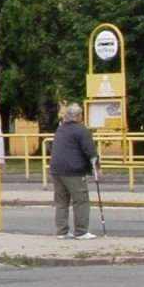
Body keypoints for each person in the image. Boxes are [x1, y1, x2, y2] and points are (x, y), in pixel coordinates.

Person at [50, 102, 100, 239]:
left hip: (56, 170)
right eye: (81, 115)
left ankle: (62, 231)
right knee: (81, 200)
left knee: (61, 201)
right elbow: (90, 151)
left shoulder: (60, 129)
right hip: (73, 171)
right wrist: (97, 167)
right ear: (78, 116)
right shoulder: (81, 130)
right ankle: (81, 231)